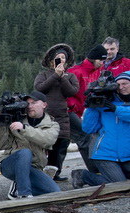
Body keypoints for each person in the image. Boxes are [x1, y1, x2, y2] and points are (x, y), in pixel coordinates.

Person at [0, 91, 61, 198]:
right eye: (27, 103)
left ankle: (17, 187)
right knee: (25, 153)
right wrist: (2, 125)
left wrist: (24, 129)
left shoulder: (53, 125)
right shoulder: (15, 120)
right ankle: (24, 193)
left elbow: (48, 140)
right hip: (10, 165)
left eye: (34, 103)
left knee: (55, 191)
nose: (29, 106)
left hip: (33, 168)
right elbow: (0, 146)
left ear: (44, 104)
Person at [71, 71, 130, 189]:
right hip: (105, 154)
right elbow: (89, 128)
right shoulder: (105, 103)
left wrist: (115, 109)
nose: (121, 87)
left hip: (127, 155)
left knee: (121, 183)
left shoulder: (111, 106)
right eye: (118, 84)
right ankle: (83, 175)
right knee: (120, 186)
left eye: (125, 83)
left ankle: (115, 176)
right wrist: (91, 107)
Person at [34, 43, 80, 182]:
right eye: (58, 57)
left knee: (61, 145)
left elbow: (71, 91)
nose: (61, 60)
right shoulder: (43, 75)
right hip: (45, 115)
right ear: (51, 61)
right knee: (43, 144)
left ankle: (55, 173)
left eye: (63, 58)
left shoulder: (70, 76)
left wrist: (62, 77)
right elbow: (40, 88)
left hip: (62, 115)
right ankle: (40, 172)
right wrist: (55, 75)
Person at [67, 44, 108, 173]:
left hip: (84, 110)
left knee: (62, 142)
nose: (103, 63)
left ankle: (54, 171)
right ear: (93, 59)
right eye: (101, 60)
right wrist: (73, 104)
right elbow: (63, 90)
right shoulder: (75, 71)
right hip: (68, 109)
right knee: (84, 137)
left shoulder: (98, 71)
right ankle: (95, 171)